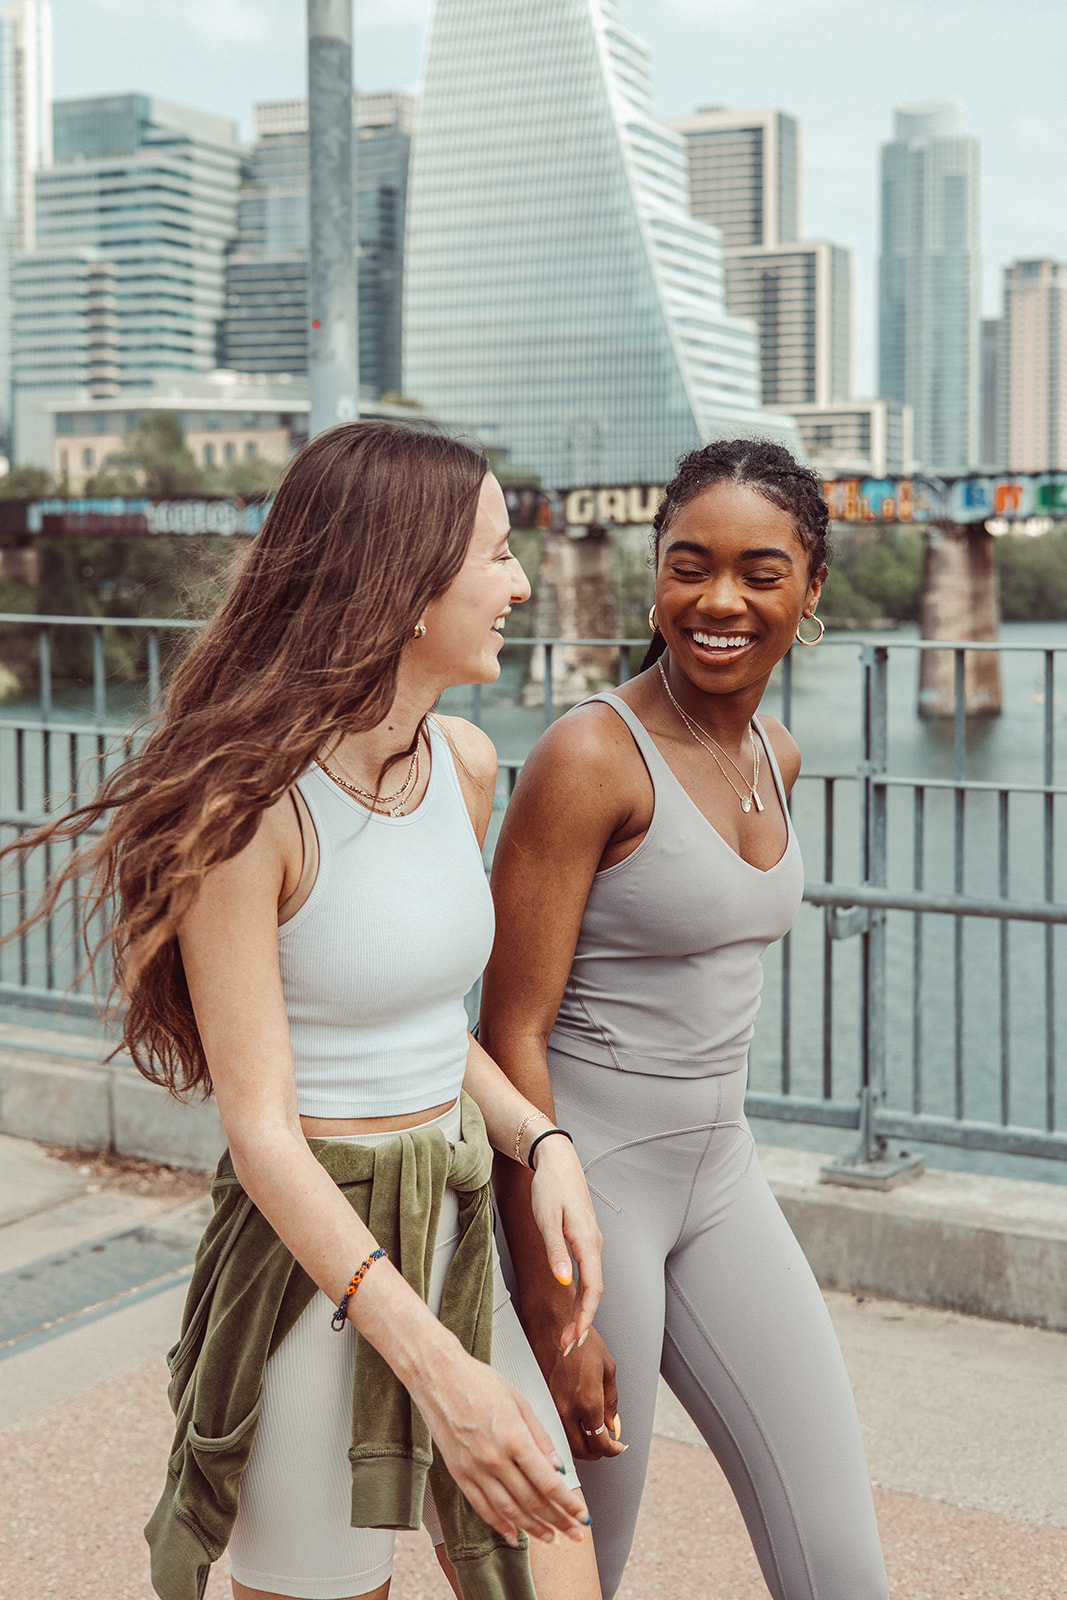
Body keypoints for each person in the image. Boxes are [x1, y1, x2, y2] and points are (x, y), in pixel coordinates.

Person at [3, 421, 603, 1600]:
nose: (522, 583)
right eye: (495, 554)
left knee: (554, 1574)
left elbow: (430, 1026)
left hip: (457, 1233)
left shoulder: (468, 763)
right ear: (406, 582)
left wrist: (542, 1141)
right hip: (310, 1278)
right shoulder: (245, 812)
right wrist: (429, 1364)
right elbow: (262, 1128)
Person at [481, 438, 890, 1600]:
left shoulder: (777, 751)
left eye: (760, 572)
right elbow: (509, 1033)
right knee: (572, 1576)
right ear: (653, 575)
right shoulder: (587, 755)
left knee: (839, 1567)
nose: (717, 600)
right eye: (686, 565)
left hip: (722, 1178)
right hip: (588, 1200)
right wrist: (553, 1307)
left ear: (811, 591)